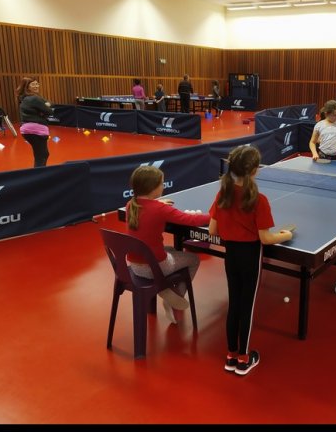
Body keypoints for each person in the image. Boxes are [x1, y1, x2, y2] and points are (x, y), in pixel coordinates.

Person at [208, 145, 293, 376]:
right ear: (254, 170)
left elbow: (212, 230)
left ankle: (231, 355)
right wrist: (285, 235)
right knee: (247, 306)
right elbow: (265, 238)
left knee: (234, 303)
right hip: (250, 255)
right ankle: (244, 359)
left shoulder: (222, 194)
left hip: (231, 255)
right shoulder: (258, 199)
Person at [125, 165, 210, 324]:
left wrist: (157, 202)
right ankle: (175, 296)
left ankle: (165, 289)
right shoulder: (160, 209)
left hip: (135, 265)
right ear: (153, 188)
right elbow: (191, 219)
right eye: (161, 183)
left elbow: (148, 208)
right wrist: (214, 216)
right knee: (193, 259)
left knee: (171, 249)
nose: (163, 186)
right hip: (155, 267)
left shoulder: (131, 204)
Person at [15, 77, 53, 167]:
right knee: (41, 156)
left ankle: (39, 172)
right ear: (27, 87)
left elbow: (47, 104)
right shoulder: (34, 99)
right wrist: (46, 107)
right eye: (33, 84)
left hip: (26, 130)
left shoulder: (24, 98)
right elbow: (49, 111)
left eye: (37, 84)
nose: (36, 86)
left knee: (42, 154)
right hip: (36, 130)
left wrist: (45, 107)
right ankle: (39, 174)